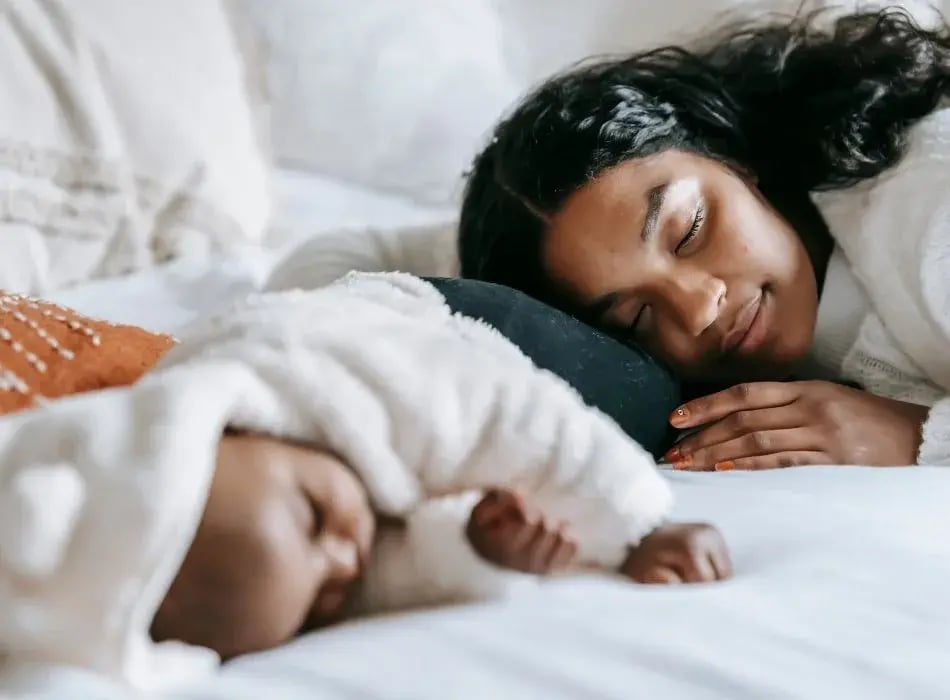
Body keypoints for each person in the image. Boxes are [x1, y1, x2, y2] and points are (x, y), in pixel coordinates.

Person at [458, 8, 950, 470]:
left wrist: (915, 434)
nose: (698, 311)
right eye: (638, 318)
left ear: (732, 157)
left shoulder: (925, 208)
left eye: (689, 231)